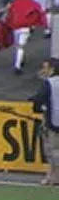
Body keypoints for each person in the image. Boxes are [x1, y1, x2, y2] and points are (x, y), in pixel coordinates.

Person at [28, 57, 59, 185]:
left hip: (53, 121)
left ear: (51, 69)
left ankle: (55, 176)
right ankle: (51, 175)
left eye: (45, 67)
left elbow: (39, 98)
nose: (43, 70)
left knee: (53, 150)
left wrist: (33, 101)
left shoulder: (49, 83)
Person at [5, 0, 47, 74]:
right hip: (25, 28)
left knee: (19, 46)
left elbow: (9, 16)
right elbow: (41, 14)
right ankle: (20, 60)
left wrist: (8, 25)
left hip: (17, 28)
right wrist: (42, 26)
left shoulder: (15, 3)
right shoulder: (32, 3)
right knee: (20, 46)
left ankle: (17, 65)